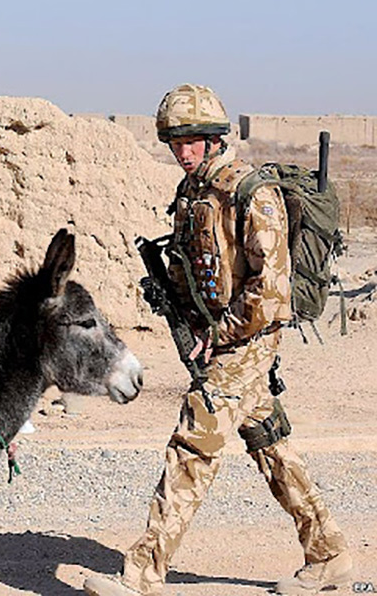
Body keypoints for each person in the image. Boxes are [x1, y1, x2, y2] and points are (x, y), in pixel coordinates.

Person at [84, 84, 351, 596]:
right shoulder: (194, 192)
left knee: (193, 446)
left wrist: (220, 334)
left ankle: (141, 576)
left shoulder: (251, 193)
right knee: (271, 444)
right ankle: (329, 554)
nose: (182, 152)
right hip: (222, 339)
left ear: (213, 139)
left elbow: (271, 291)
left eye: (192, 141)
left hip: (246, 342)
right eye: (175, 142)